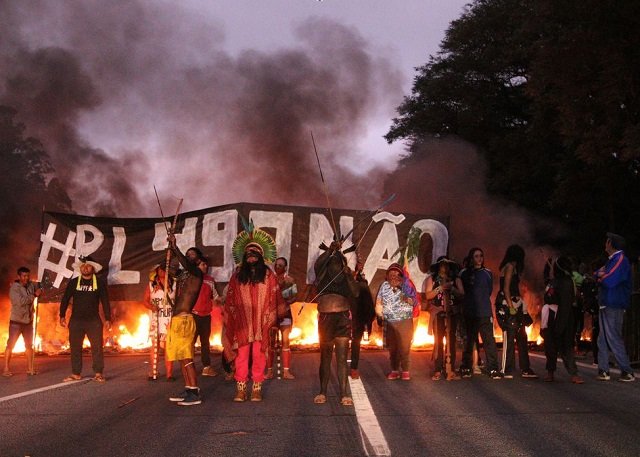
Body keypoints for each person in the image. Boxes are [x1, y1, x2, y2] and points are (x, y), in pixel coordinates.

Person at [225, 227, 280, 402]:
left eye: (255, 254)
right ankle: (241, 389)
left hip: (261, 323)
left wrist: (270, 318)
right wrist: (232, 318)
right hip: (242, 324)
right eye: (248, 254)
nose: (251, 257)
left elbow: (274, 298)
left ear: (261, 256)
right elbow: (230, 299)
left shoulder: (269, 275)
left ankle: (256, 388)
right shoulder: (237, 276)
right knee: (241, 356)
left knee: (259, 355)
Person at [313, 240, 359, 405]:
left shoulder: (346, 276)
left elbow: (356, 293)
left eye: (338, 263)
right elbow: (318, 264)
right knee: (325, 356)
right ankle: (322, 392)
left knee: (342, 357)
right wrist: (329, 251)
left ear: (342, 264)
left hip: (343, 317)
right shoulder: (322, 274)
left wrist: (349, 276)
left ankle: (344, 393)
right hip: (326, 317)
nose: (335, 266)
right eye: (331, 262)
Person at [59, 256, 111, 382]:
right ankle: (76, 373)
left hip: (94, 321)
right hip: (76, 321)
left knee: (97, 347)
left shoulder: (99, 283)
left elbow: (105, 301)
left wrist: (108, 318)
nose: (85, 268)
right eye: (83, 266)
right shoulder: (74, 282)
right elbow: (65, 299)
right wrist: (62, 315)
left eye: (88, 266)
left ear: (93, 268)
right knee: (75, 347)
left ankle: (98, 373)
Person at [165, 240, 204, 406]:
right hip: (176, 320)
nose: (188, 256)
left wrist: (175, 247)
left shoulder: (197, 273)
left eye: (192, 254)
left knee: (187, 358)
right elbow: (168, 268)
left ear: (199, 260)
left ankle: (194, 392)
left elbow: (185, 264)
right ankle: (189, 388)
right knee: (181, 357)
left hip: (184, 320)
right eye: (187, 254)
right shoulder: (183, 275)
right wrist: (169, 252)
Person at [595, 233, 635, 382]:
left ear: (611, 244)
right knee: (603, 338)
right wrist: (600, 275)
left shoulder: (620, 259)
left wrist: (600, 276)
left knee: (613, 337)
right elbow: (598, 273)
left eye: (607, 241)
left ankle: (627, 371)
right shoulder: (612, 260)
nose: (605, 244)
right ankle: (604, 370)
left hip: (613, 303)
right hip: (607, 302)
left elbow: (608, 279)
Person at [458, 247, 503, 379]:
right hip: (470, 312)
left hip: (484, 312)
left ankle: (493, 368)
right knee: (469, 341)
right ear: (471, 258)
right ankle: (466, 367)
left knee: (489, 341)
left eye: (481, 256)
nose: (479, 258)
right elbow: (462, 291)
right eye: (476, 256)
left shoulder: (487, 273)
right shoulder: (464, 273)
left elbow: (488, 291)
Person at [497, 244, 537, 379]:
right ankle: (507, 369)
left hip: (516, 305)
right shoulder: (509, 267)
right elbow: (506, 289)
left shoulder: (511, 267)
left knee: (522, 336)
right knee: (510, 336)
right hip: (509, 305)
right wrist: (511, 307)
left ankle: (526, 368)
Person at [541, 257, 584, 383]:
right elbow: (546, 280)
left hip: (563, 317)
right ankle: (550, 372)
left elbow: (565, 305)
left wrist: (559, 327)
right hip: (550, 317)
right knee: (550, 346)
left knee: (566, 346)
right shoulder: (554, 281)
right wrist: (547, 267)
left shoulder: (566, 282)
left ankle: (574, 374)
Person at [375, 263, 417, 382]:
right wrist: (379, 314)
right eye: (391, 273)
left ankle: (405, 370)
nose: (393, 275)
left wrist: (407, 298)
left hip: (404, 321)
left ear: (400, 275)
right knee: (393, 348)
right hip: (390, 321)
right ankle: (394, 370)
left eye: (396, 273)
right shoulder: (384, 285)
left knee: (404, 347)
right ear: (387, 275)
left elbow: (414, 302)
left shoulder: (406, 285)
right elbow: (379, 301)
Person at [425, 257, 462, 381]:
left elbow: (462, 294)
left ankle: (450, 368)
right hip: (439, 314)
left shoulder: (455, 279)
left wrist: (452, 288)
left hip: (452, 314)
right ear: (438, 266)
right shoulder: (432, 279)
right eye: (442, 264)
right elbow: (428, 295)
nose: (444, 267)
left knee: (451, 341)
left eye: (447, 265)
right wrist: (440, 287)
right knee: (438, 341)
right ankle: (438, 369)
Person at [3, 267, 42, 377]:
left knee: (29, 346)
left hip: (28, 322)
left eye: (28, 276)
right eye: (24, 276)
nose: (26, 278)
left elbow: (40, 285)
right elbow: (21, 302)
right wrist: (35, 295)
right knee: (10, 345)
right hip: (16, 322)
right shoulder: (14, 288)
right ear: (19, 276)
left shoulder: (31, 285)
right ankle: (6, 368)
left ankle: (30, 368)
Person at [266, 256, 298, 380]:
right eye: (276, 265)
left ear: (285, 267)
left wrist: (285, 302)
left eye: (280, 265)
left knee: (285, 341)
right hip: (272, 315)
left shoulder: (290, 280)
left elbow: (294, 296)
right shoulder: (269, 280)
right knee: (270, 342)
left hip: (285, 314)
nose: (277, 267)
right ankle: (269, 371)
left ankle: (286, 371)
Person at [143, 263, 176, 381]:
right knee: (155, 345)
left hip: (168, 319)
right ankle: (153, 371)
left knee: (168, 346)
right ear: (157, 271)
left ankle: (169, 374)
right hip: (155, 318)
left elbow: (179, 300)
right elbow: (145, 301)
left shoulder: (174, 284)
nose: (163, 271)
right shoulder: (151, 285)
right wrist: (152, 307)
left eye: (165, 269)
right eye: (160, 269)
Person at [192, 256, 220, 377]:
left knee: (205, 343)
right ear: (197, 266)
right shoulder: (191, 278)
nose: (206, 266)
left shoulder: (210, 280)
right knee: (191, 342)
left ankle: (206, 367)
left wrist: (224, 301)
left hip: (206, 316)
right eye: (203, 264)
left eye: (206, 264)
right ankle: (189, 367)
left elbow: (216, 297)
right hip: (193, 315)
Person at [349, 257, 375, 379]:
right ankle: (343, 366)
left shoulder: (363, 285)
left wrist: (367, 323)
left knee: (356, 342)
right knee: (342, 343)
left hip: (357, 318)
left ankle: (354, 367)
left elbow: (368, 306)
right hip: (343, 317)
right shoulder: (341, 283)